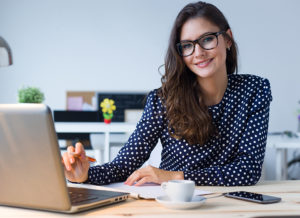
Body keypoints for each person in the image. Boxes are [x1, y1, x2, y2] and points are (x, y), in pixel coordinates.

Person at [62, 1, 272, 186]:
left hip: (231, 206)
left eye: (207, 39)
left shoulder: (254, 91)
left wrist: (175, 176)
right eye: (187, 46)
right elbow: (123, 166)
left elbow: (248, 170)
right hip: (173, 205)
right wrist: (83, 175)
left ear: (227, 39)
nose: (198, 53)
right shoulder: (163, 100)